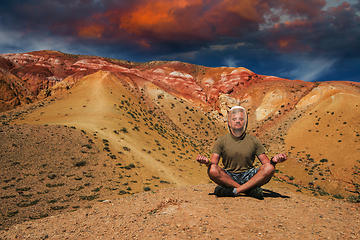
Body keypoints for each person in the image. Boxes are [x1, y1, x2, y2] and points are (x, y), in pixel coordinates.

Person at [197, 106, 287, 199]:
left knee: (270, 168)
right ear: (229, 122)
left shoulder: (254, 140)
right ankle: (248, 190)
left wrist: (274, 161)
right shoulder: (221, 140)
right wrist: (206, 162)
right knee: (212, 170)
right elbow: (213, 164)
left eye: (241, 119)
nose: (237, 121)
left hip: (249, 175)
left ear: (245, 122)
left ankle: (235, 191)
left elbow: (266, 163)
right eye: (234, 119)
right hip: (228, 176)